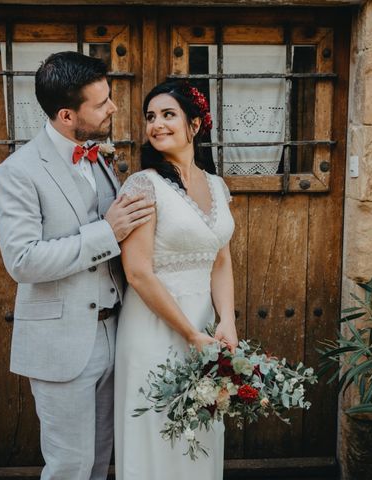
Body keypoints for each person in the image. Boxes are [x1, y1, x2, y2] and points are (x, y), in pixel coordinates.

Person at [0, 51, 154, 480]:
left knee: (100, 460)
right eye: (101, 104)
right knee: (70, 465)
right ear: (67, 115)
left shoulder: (98, 156)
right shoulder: (18, 172)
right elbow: (23, 260)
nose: (114, 108)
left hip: (115, 329)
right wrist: (106, 232)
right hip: (61, 343)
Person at [114, 81, 238, 480]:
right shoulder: (143, 184)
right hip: (155, 327)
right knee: (157, 434)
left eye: (168, 115)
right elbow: (137, 272)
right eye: (151, 117)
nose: (156, 124)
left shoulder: (216, 185)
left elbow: (221, 260)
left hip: (205, 328)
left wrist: (227, 322)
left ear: (195, 124)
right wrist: (188, 334)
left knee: (199, 432)